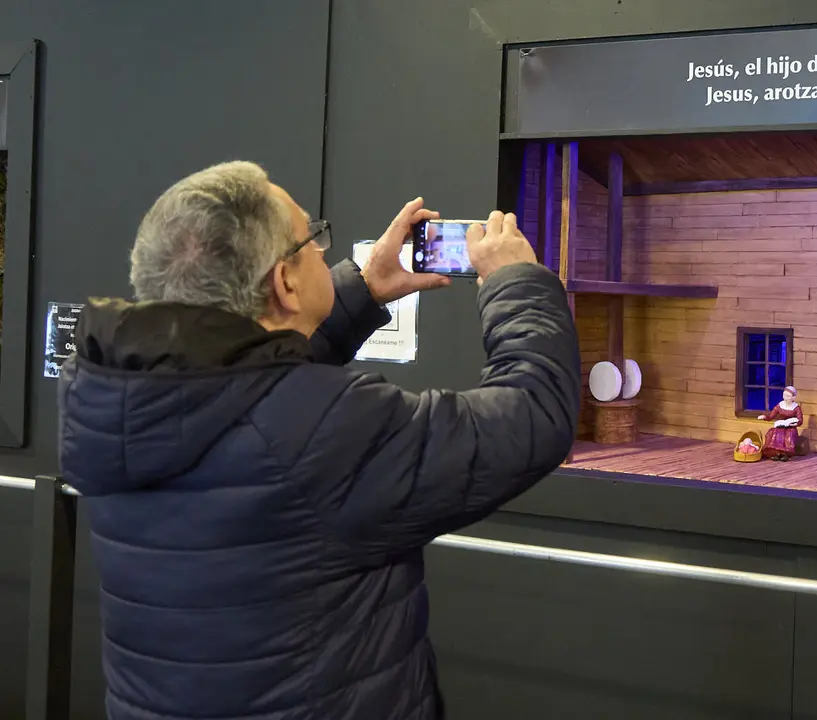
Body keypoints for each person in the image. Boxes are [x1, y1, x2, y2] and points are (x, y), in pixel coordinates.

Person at [56, 161, 580, 720]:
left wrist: (359, 291)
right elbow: (534, 414)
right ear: (284, 283)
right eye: (313, 237)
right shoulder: (331, 429)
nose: (322, 249)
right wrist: (516, 282)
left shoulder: (111, 399)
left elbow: (249, 395)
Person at [756, 385, 803, 460]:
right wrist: (765, 417)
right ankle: (775, 453)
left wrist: (795, 423)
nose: (785, 398)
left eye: (788, 396)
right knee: (773, 432)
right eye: (784, 395)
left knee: (789, 435)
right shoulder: (780, 405)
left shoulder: (796, 408)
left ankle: (785, 454)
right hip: (780, 426)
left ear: (793, 397)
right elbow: (771, 416)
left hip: (790, 427)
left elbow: (800, 420)